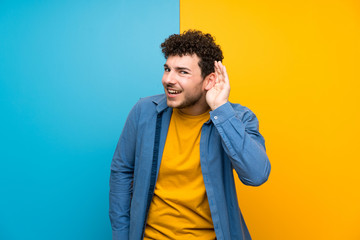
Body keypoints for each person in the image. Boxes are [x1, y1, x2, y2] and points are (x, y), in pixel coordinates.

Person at [109, 30, 271, 240]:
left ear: (209, 80)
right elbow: (121, 171)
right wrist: (121, 235)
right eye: (167, 69)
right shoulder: (144, 112)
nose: (168, 79)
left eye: (182, 72)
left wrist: (221, 110)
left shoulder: (238, 118)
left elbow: (256, 175)